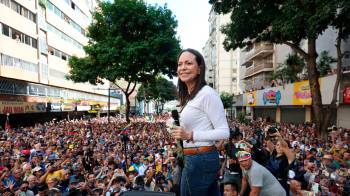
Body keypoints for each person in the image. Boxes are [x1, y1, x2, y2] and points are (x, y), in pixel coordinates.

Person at [172, 48, 230, 196]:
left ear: (199, 69)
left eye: (188, 63)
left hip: (199, 159)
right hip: (197, 158)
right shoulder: (190, 96)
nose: (183, 67)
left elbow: (224, 131)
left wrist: (191, 135)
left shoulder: (207, 94)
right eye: (180, 64)